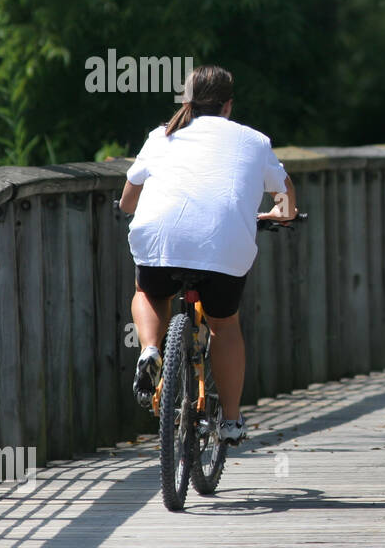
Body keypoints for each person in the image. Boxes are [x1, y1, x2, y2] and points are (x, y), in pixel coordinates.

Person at [117, 65, 297, 445]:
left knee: (149, 292)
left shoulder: (160, 137)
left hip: (161, 242)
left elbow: (127, 201)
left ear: (187, 102)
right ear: (228, 105)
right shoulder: (254, 141)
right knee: (223, 324)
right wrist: (281, 215)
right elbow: (285, 198)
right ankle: (231, 420)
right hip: (223, 248)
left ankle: (150, 349)